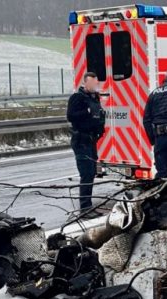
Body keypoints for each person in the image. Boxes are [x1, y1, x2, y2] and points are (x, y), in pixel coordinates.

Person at [66, 72, 105, 216]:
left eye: (97, 83)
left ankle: (88, 206)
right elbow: (70, 116)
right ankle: (85, 208)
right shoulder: (77, 98)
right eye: (94, 83)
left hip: (91, 140)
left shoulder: (94, 98)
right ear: (85, 83)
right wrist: (86, 112)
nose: (96, 85)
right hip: (81, 140)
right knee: (86, 173)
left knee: (92, 172)